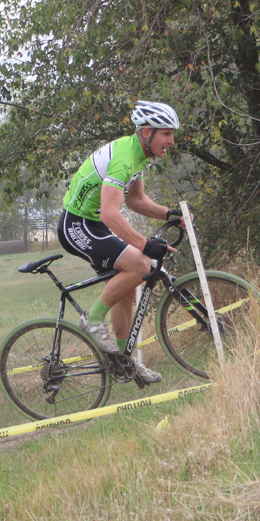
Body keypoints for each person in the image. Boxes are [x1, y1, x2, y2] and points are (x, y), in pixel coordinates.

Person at [57, 100, 184, 384]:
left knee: (126, 290)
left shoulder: (137, 153)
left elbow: (135, 200)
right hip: (76, 225)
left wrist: (169, 214)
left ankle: (124, 363)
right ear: (148, 131)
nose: (171, 141)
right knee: (141, 264)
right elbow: (110, 212)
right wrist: (143, 243)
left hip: (96, 225)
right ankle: (93, 319)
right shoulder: (125, 158)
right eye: (167, 134)